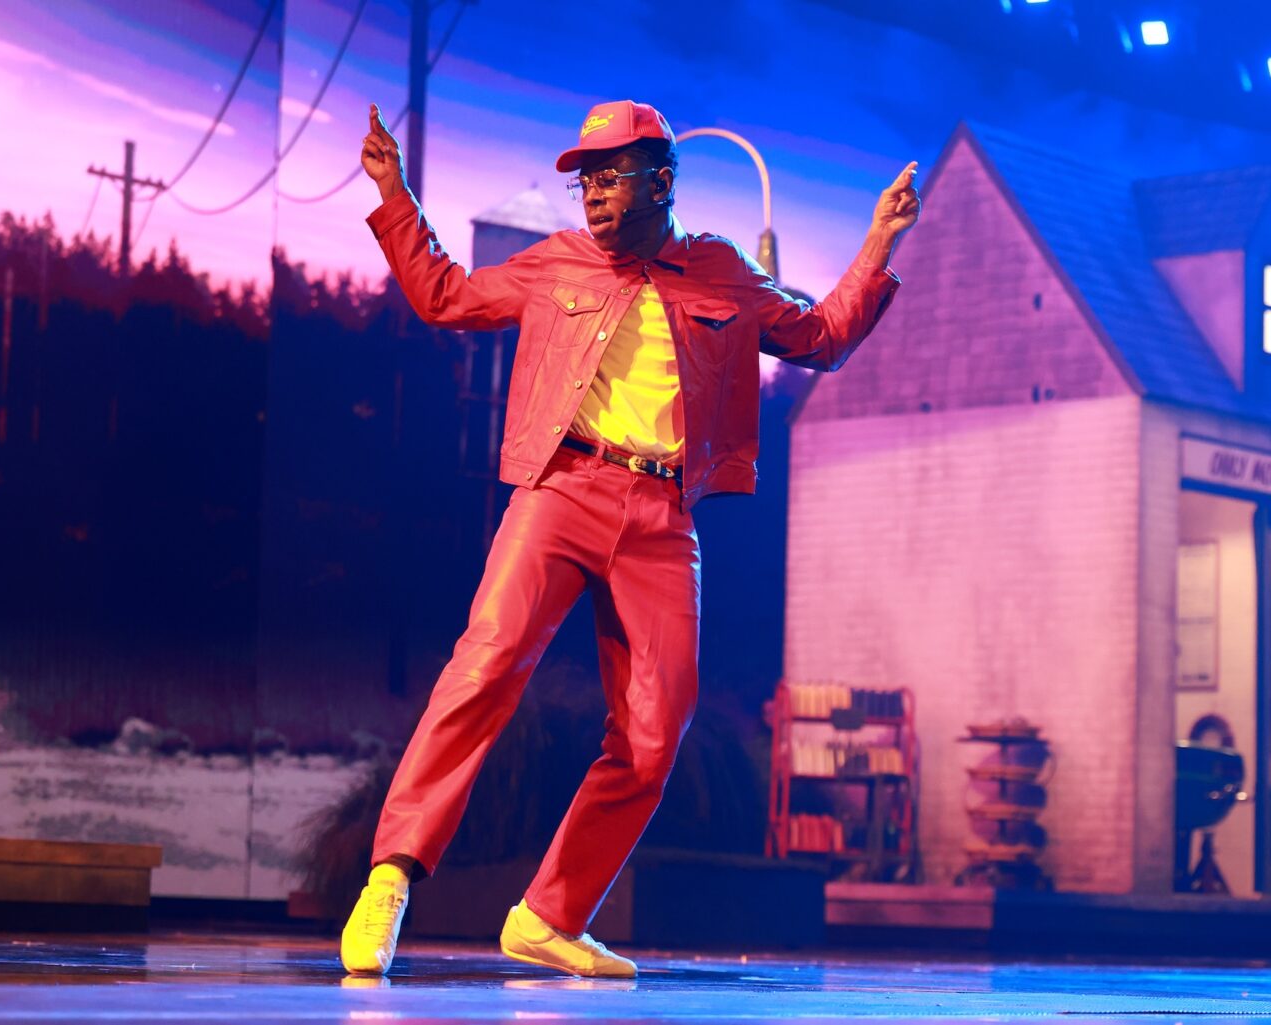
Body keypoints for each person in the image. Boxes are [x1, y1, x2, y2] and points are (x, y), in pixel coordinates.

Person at [340, 99, 920, 978]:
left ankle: (549, 914)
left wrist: (879, 240)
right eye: (587, 179)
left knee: (655, 730)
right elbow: (446, 295)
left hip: (661, 518)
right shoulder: (558, 263)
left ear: (662, 180)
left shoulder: (720, 273)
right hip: (562, 488)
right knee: (487, 663)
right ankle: (391, 874)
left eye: (612, 177)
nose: (595, 195)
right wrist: (394, 191)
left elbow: (822, 336)